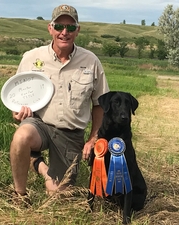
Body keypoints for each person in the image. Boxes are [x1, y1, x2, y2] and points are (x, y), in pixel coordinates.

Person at [9, 4, 109, 204]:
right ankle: (19, 195)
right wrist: (17, 112)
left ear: (78, 30)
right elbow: (16, 97)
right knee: (21, 137)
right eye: (59, 26)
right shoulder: (31, 58)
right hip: (40, 125)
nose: (64, 32)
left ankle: (39, 166)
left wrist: (92, 139)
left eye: (71, 28)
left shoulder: (91, 61)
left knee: (57, 196)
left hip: (70, 134)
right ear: (50, 28)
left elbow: (100, 104)